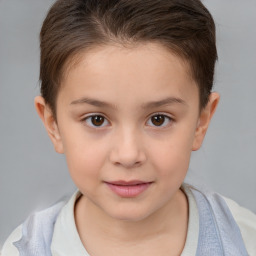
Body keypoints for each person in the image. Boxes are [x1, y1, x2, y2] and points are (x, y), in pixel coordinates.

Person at [1, 0, 256, 255]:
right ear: (53, 124)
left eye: (158, 119)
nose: (128, 155)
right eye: (97, 120)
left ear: (201, 122)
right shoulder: (22, 249)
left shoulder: (245, 239)